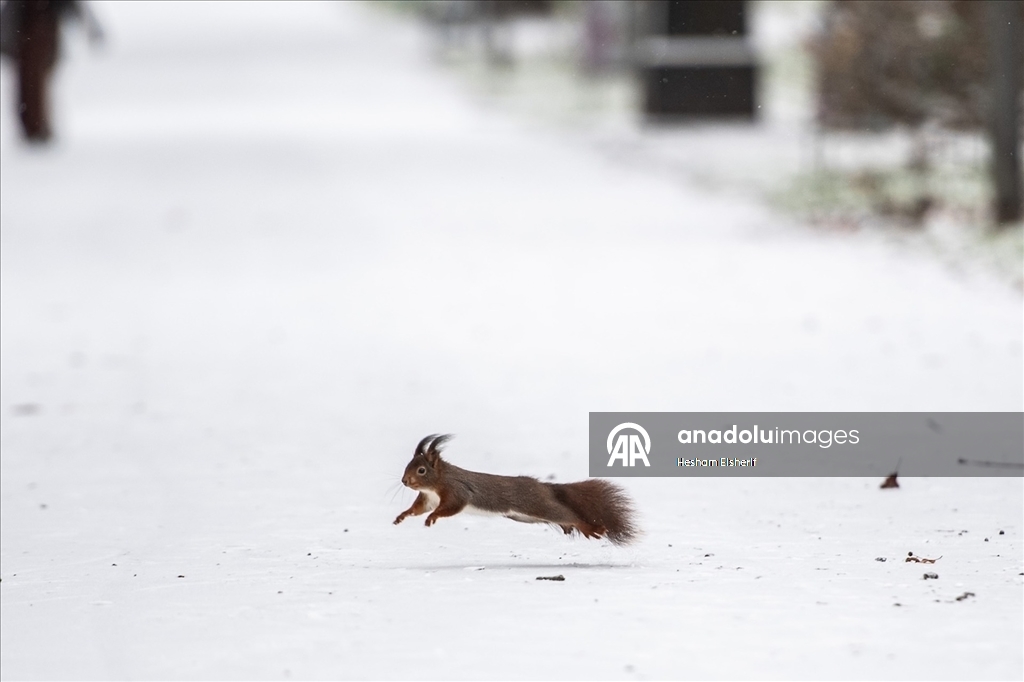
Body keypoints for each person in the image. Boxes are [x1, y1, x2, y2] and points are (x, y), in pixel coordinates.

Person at [0, 0, 101, 142]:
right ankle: (33, 129)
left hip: (42, 39)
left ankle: (38, 129)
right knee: (28, 88)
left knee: (36, 87)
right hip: (25, 44)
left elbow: (77, 8)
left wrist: (93, 30)